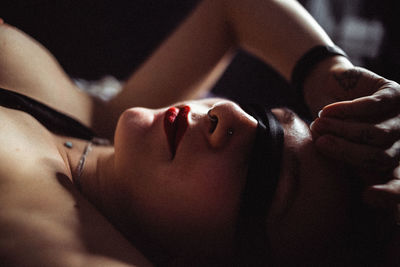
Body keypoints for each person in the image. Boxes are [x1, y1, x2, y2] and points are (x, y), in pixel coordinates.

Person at [0, 0, 399, 265]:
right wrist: (327, 72)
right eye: (264, 117)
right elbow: (234, 9)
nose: (227, 112)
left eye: (260, 174)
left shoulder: (61, 243)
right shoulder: (101, 123)